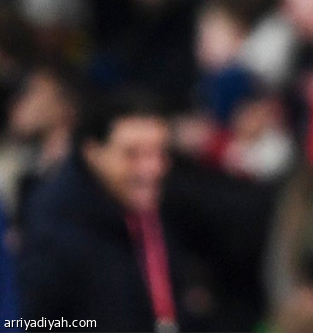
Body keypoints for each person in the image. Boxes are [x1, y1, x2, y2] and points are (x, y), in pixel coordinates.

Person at [17, 87, 186, 332]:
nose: (152, 169)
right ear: (93, 152)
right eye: (132, 154)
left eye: (160, 152)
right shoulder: (54, 228)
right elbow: (30, 322)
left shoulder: (167, 207)